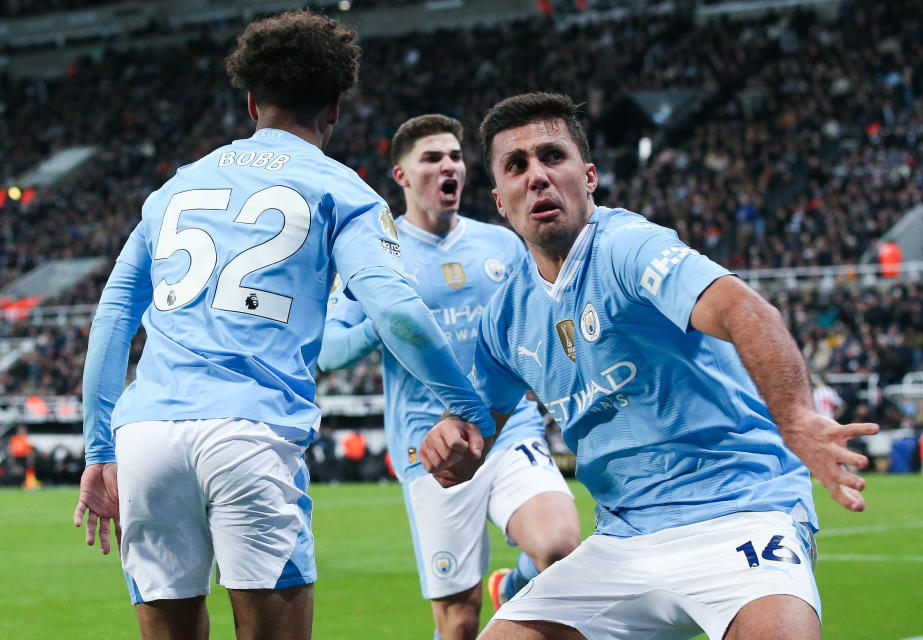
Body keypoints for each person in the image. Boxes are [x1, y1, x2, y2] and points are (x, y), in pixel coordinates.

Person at [73, 11, 493, 640]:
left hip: (147, 437)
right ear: (335, 107)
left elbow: (112, 320)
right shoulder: (344, 191)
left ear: (250, 103)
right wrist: (469, 409)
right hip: (249, 432)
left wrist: (100, 449)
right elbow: (398, 311)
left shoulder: (173, 190)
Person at [420, 92, 880, 640]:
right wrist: (451, 442)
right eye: (517, 166)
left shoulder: (627, 248)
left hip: (741, 516)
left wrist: (798, 418)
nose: (537, 176)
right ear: (500, 199)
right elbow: (475, 430)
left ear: (588, 176)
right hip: (621, 545)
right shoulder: (506, 317)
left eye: (553, 156)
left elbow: (743, 309)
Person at [318, 114, 580, 640]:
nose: (449, 167)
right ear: (402, 176)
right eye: (433, 158)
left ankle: (513, 586)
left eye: (456, 156)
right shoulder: (374, 258)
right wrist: (387, 317)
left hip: (507, 428)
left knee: (561, 549)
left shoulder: (501, 245)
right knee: (459, 621)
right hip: (428, 448)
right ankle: (494, 596)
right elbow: (328, 348)